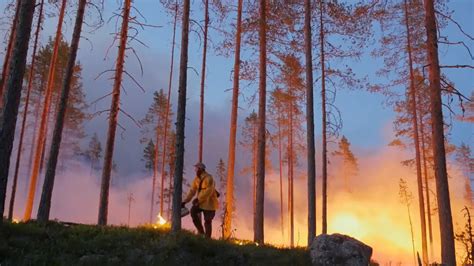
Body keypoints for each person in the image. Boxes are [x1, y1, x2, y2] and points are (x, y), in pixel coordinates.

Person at [181, 162, 219, 238]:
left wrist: (198, 199)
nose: (195, 170)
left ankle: (207, 239)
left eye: (196, 168)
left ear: (201, 169)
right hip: (201, 203)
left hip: (210, 204)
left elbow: (209, 191)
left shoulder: (209, 178)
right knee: (193, 212)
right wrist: (185, 201)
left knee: (208, 221)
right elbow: (192, 191)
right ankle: (201, 233)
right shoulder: (196, 179)